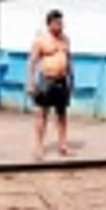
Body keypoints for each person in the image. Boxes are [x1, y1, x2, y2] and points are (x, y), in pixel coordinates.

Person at [27, 9, 72, 159]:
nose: (60, 25)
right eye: (57, 23)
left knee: (62, 114)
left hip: (62, 80)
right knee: (42, 114)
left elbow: (69, 59)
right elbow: (32, 62)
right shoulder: (41, 41)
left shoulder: (65, 39)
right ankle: (38, 146)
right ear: (50, 24)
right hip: (47, 80)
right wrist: (30, 83)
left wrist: (71, 79)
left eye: (61, 22)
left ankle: (62, 144)